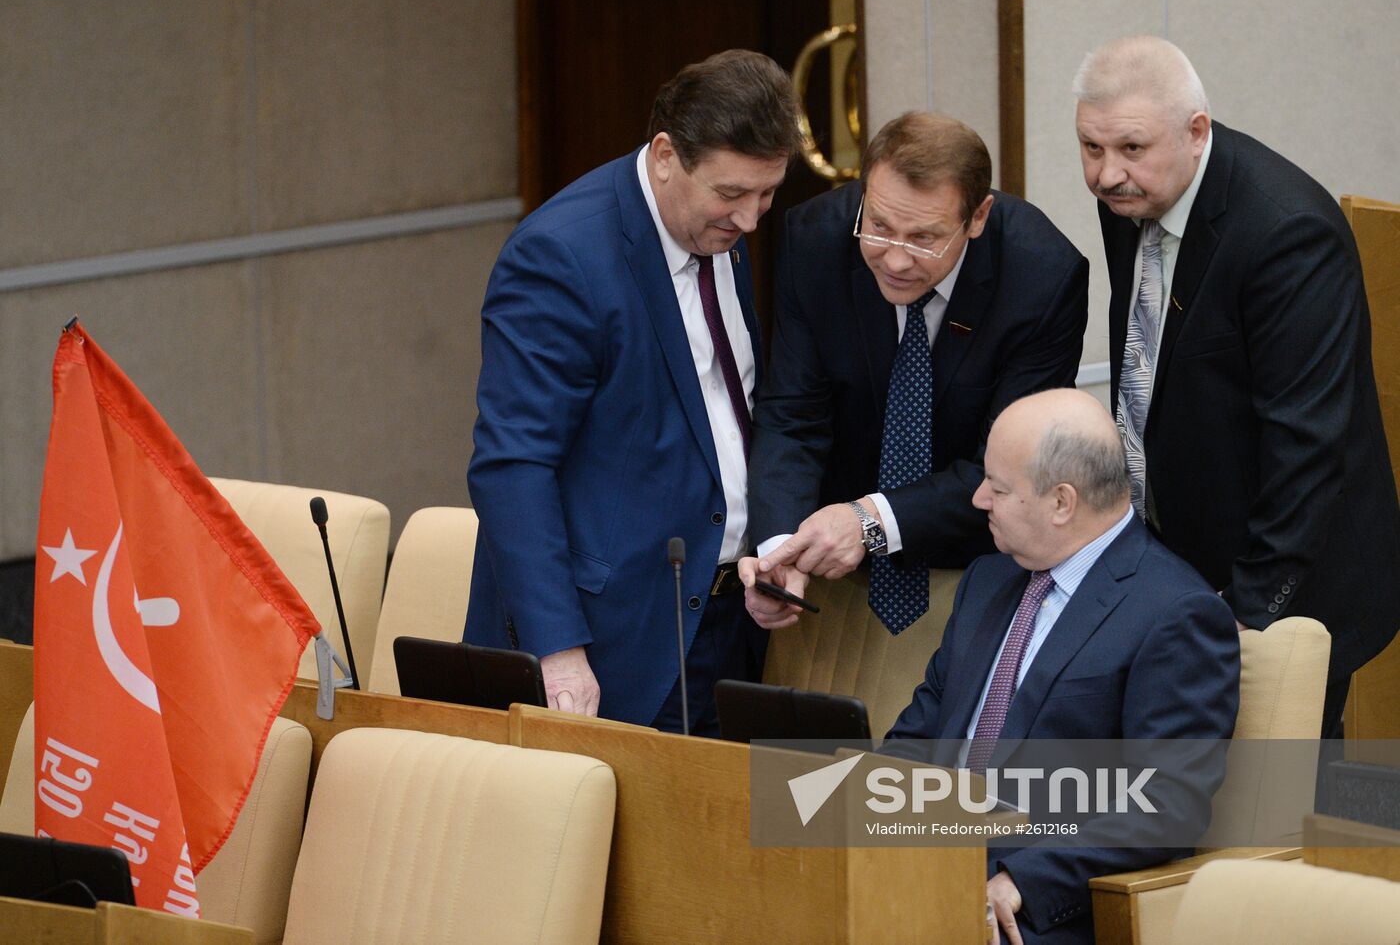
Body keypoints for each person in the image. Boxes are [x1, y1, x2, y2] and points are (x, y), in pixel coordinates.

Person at [465, 50, 803, 732]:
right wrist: (557, 651)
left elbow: (723, 408)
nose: (751, 220)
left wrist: (765, 545)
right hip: (613, 643)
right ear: (664, 156)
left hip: (726, 617)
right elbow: (512, 466)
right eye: (732, 194)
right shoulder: (561, 258)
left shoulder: (714, 232)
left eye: (766, 195)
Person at [1073, 35, 1400, 738]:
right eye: (1090, 148)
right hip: (1185, 550)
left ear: (1197, 132)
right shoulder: (1131, 195)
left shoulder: (1289, 233)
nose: (1105, 175)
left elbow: (1307, 448)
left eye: (1130, 148)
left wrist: (1248, 609)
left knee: (1287, 805)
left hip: (1291, 574)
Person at [885, 388, 1240, 945]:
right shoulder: (988, 580)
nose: (978, 499)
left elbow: (1168, 804)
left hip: (1033, 906)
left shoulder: (1175, 613)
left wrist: (1018, 880)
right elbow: (921, 729)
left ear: (1061, 502)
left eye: (998, 488)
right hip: (927, 867)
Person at [741, 112, 1088, 636]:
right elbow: (793, 416)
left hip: (977, 566)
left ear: (977, 217)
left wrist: (872, 522)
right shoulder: (814, 240)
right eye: (879, 226)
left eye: (924, 238)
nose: (897, 260)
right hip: (832, 572)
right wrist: (779, 554)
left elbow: (1012, 467)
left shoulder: (1042, 278)